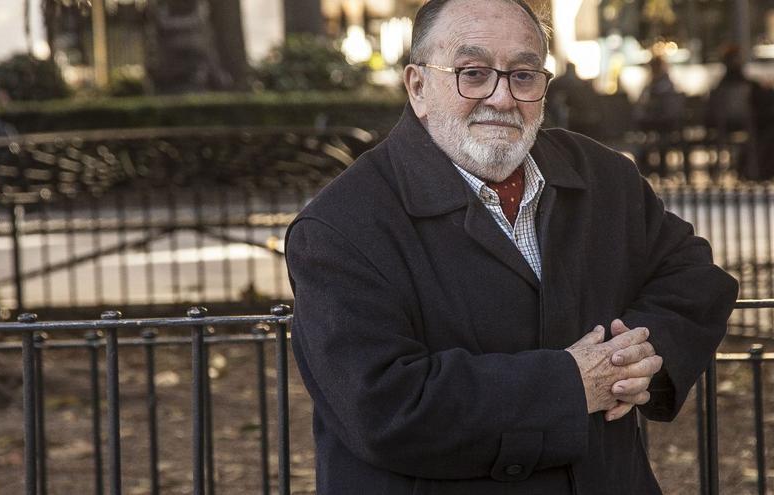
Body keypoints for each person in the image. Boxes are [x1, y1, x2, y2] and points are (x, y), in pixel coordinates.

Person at [284, 0, 738, 493]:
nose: (501, 98)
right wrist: (570, 384)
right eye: (473, 73)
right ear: (418, 86)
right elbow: (384, 408)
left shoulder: (604, 175)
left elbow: (694, 277)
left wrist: (638, 359)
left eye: (523, 75)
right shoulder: (339, 225)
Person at [706, 44, 774, 180]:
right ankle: (760, 168)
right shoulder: (744, 83)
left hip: (724, 124)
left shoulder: (720, 85)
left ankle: (754, 166)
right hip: (748, 122)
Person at [633, 55, 685, 178]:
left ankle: (653, 172)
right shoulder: (651, 86)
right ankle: (646, 173)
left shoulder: (664, 86)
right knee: (645, 145)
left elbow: (641, 108)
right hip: (657, 124)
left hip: (665, 124)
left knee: (656, 143)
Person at [545, 62, 601, 138]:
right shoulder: (562, 82)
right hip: (565, 112)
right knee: (561, 110)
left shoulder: (578, 83)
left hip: (576, 112)